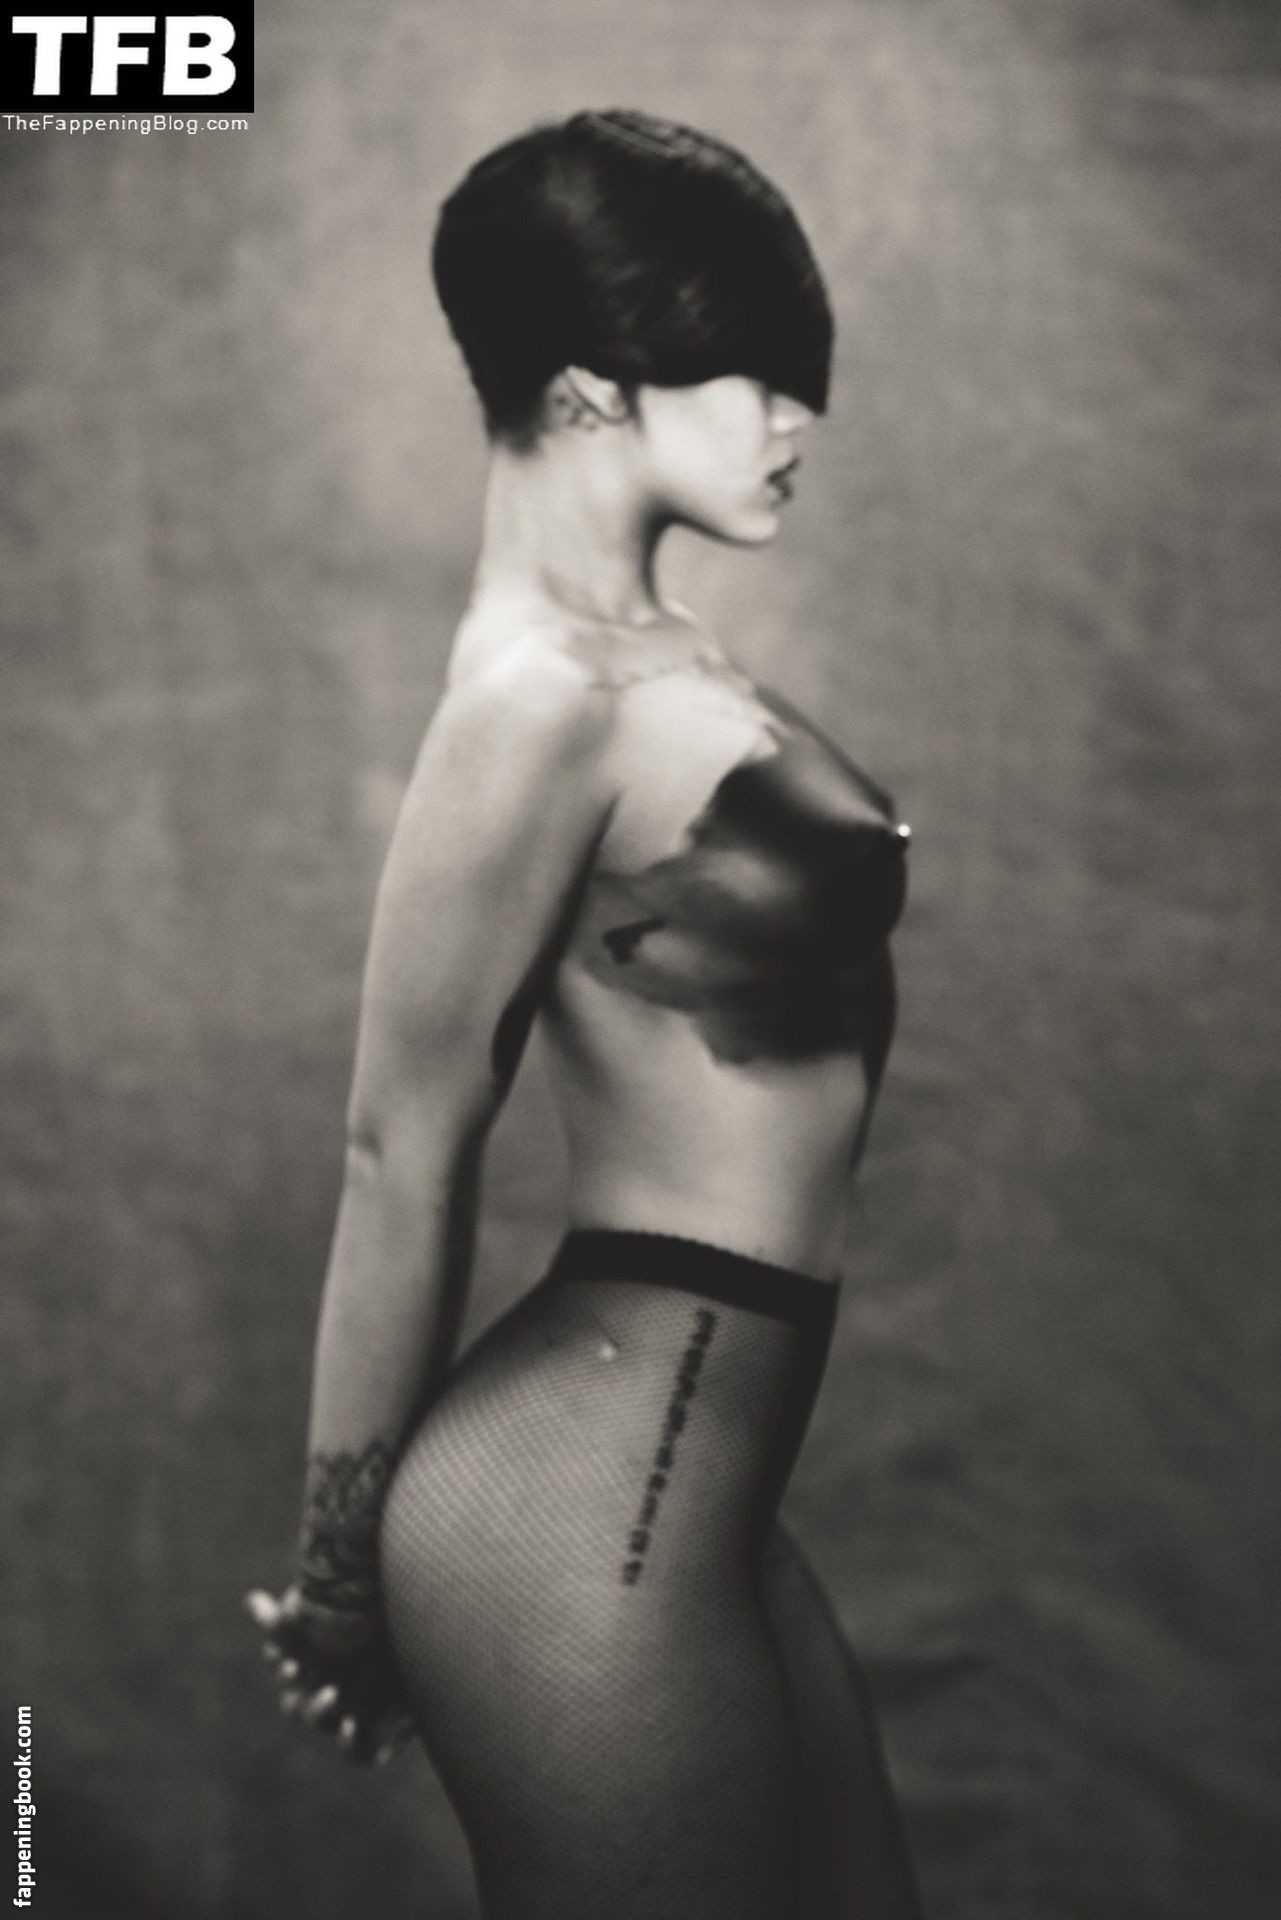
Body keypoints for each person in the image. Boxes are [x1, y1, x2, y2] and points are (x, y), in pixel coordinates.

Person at [245, 106, 924, 1920]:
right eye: (754, 375)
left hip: (691, 1493)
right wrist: (341, 1583)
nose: (797, 419)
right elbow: (399, 1154)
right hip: (577, 1508)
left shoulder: (645, 653)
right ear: (588, 392)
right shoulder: (535, 699)